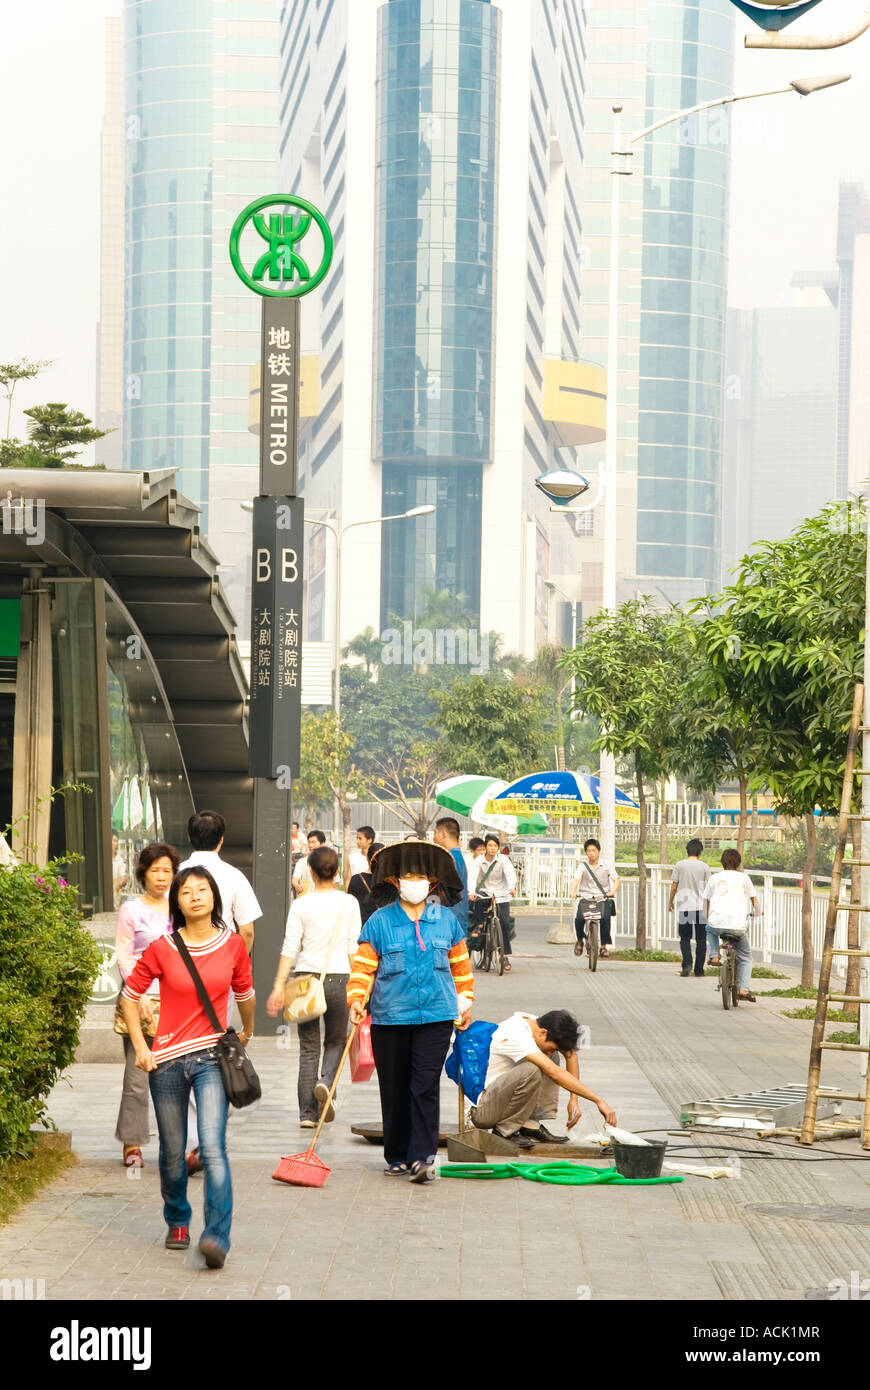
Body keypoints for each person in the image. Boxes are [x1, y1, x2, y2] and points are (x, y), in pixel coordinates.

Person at [119, 865, 255, 1270]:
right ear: (176, 902)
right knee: (174, 1152)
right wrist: (142, 1047)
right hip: (166, 1062)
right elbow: (129, 996)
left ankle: (216, 1236)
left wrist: (246, 1030)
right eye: (186, 891)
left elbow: (245, 993)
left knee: (212, 1147)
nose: (195, 895)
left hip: (212, 1058)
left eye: (202, 889)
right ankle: (178, 1219)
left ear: (214, 897)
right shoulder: (162, 947)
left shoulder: (232, 946)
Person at [347, 840, 473, 1183]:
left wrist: (466, 1001)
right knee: (394, 1085)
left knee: (424, 1084)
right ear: (394, 882)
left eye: (420, 876)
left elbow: (461, 968)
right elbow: (362, 968)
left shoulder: (446, 921)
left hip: (436, 1016)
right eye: (407, 875)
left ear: (431, 883)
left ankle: (423, 1157)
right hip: (389, 1018)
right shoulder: (378, 922)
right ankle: (397, 1153)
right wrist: (356, 999)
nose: (413, 881)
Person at [266, 845, 362, 1126]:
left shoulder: (301, 904)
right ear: (337, 872)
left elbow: (290, 946)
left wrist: (278, 985)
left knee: (308, 1048)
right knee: (335, 1040)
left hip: (306, 980)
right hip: (340, 979)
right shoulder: (350, 903)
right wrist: (360, 987)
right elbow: (353, 949)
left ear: (310, 870)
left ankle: (307, 1114)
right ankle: (327, 1081)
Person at [114, 841, 180, 1168]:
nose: (162, 877)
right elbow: (124, 956)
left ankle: (179, 1145)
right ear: (143, 873)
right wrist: (137, 994)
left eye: (167, 870)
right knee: (137, 1074)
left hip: (176, 1001)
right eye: (155, 870)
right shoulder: (131, 910)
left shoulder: (181, 909)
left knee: (176, 1075)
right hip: (138, 1001)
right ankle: (132, 1143)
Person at [470, 1009, 617, 1146]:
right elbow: (554, 1072)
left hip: (500, 1100)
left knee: (550, 1056)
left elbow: (570, 1054)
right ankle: (504, 1131)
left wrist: (574, 1100)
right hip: (483, 1111)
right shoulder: (515, 1034)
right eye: (552, 1045)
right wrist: (598, 1100)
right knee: (533, 1069)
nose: (550, 1052)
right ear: (543, 1032)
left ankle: (529, 1124)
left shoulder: (538, 1025)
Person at [179, 810, 262, 954]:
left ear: (189, 838)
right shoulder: (235, 876)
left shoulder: (175, 873)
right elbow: (247, 931)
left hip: (180, 954)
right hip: (222, 956)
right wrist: (237, 962)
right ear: (221, 840)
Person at [703, 849, 760, 1001]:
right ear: (738, 862)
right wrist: (759, 913)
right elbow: (754, 900)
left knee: (708, 928)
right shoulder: (744, 878)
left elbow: (706, 899)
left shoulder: (714, 878)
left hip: (716, 924)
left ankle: (714, 956)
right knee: (746, 957)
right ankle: (743, 989)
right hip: (737, 927)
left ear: (722, 861)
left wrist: (709, 916)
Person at [469, 834, 517, 970]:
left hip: (501, 894)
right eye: (490, 845)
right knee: (479, 900)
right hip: (485, 891)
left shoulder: (503, 860)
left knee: (505, 924)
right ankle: (479, 926)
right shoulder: (479, 860)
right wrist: (471, 892)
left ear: (498, 847)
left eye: (495, 845)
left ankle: (505, 956)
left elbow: (510, 874)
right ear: (485, 847)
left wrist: (512, 888)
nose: (492, 848)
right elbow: (472, 877)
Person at [570, 837, 619, 959]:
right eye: (589, 850)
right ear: (586, 852)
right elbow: (576, 879)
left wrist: (612, 891)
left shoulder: (606, 865)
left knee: (605, 919)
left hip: (602, 898)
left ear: (598, 851)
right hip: (586, 898)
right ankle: (580, 941)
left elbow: (616, 880)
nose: (591, 853)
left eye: (594, 850)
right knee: (579, 919)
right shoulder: (583, 866)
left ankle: (603, 946)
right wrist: (572, 891)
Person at [668, 838, 710, 978]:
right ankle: (699, 970)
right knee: (701, 940)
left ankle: (687, 964)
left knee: (685, 938)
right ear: (700, 852)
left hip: (685, 907)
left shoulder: (680, 865)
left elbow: (674, 886)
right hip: (701, 908)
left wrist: (670, 901)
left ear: (687, 850)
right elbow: (708, 889)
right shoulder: (704, 867)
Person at [433, 816, 468, 932]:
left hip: (445, 922)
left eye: (435, 833)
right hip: (458, 918)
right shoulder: (457, 857)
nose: (433, 838)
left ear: (443, 834)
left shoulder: (449, 859)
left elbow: (437, 893)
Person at [347, 839, 385, 922]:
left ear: (367, 858)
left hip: (363, 927)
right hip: (385, 929)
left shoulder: (356, 880)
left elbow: (350, 908)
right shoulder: (391, 881)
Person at [292, 829, 327, 897]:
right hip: (306, 901)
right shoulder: (302, 862)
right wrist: (296, 885)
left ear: (322, 844)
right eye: (309, 842)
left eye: (313, 842)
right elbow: (295, 878)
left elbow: (335, 884)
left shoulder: (329, 862)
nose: (310, 846)